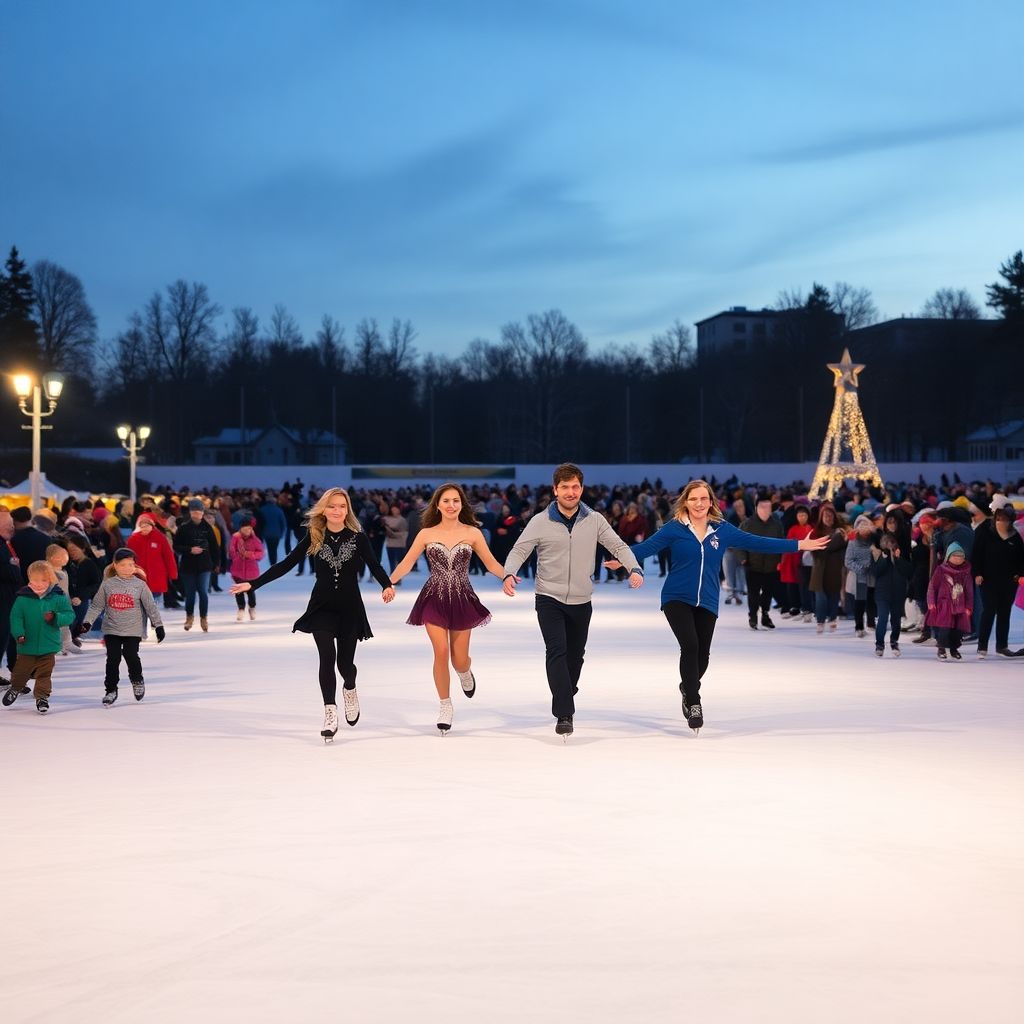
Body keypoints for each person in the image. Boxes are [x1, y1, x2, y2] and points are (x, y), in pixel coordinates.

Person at [624, 479, 828, 733]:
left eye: (703, 498)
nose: (699, 503)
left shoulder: (722, 529)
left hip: (708, 598)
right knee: (690, 645)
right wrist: (619, 557)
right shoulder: (674, 528)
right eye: (693, 499)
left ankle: (688, 686)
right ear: (685, 501)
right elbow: (645, 548)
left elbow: (758, 542)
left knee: (703, 655)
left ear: (711, 502)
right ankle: (694, 701)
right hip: (676, 596)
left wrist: (798, 545)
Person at [230, 487, 395, 742]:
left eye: (341, 506)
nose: (337, 511)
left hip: (350, 607)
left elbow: (374, 564)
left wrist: (386, 584)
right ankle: (330, 710)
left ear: (347, 509)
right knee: (326, 657)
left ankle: (349, 688)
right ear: (324, 509)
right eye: (332, 506)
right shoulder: (314, 535)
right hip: (321, 606)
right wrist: (254, 583)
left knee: (345, 665)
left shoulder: (358, 538)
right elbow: (286, 564)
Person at [503, 463, 644, 738]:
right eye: (565, 487)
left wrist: (634, 567)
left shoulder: (594, 520)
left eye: (575, 486)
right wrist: (509, 573)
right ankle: (564, 712)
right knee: (556, 651)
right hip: (548, 597)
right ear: (555, 490)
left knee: (575, 657)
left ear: (581, 488)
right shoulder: (540, 521)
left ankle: (565, 690)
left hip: (581, 599)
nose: (571, 492)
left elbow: (618, 545)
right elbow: (520, 549)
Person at [388, 482, 507, 733]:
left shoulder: (472, 532)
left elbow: (491, 563)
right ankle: (445, 704)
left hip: (463, 598)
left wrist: (506, 576)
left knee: (459, 659)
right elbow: (407, 562)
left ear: (461, 504)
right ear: (438, 505)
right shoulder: (426, 533)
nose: (451, 505)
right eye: (446, 501)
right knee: (440, 652)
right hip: (434, 597)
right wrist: (388, 581)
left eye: (455, 500)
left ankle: (465, 671)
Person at [80, 548, 165, 705]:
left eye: (131, 564)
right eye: (123, 565)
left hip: (133, 629)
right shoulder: (108, 585)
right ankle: (111, 690)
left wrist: (158, 626)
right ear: (115, 565)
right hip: (112, 628)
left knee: (131, 655)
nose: (128, 568)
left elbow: (150, 606)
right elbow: (96, 606)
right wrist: (87, 622)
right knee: (113, 659)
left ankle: (137, 680)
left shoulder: (140, 585)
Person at [1, 561, 74, 714]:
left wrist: (56, 617)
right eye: (34, 581)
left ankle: (42, 697)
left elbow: (69, 615)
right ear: (29, 580)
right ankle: (16, 687)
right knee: (21, 671)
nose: (39, 585)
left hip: (48, 645)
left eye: (43, 580)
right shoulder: (22, 598)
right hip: (27, 644)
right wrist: (19, 633)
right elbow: (16, 618)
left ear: (51, 580)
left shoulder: (57, 597)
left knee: (44, 674)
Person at [972, 504, 1024, 658]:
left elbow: (1021, 559)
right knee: (988, 611)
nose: (1001, 522)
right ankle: (982, 646)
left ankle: (1002, 646)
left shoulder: (1015, 537)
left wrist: (1020, 575)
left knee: (1004, 612)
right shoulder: (985, 533)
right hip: (988, 580)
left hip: (1009, 581)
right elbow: (976, 555)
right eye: (999, 519)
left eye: (1005, 519)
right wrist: (977, 573)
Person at [738, 495, 785, 630]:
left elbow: (781, 543)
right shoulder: (748, 524)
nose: (765, 510)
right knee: (753, 593)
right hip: (752, 565)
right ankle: (753, 615)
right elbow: (737, 542)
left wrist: (780, 560)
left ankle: (765, 614)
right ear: (756, 508)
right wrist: (743, 558)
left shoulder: (776, 525)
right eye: (762, 507)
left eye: (768, 507)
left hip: (771, 565)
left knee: (768, 592)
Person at [174, 498, 218, 631]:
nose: (196, 514)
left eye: (199, 512)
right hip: (188, 566)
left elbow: (215, 547)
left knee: (203, 592)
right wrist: (189, 549)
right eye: (194, 511)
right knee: (190, 594)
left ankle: (204, 618)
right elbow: (176, 546)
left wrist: (217, 563)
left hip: (205, 565)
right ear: (190, 512)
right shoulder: (183, 528)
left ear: (203, 513)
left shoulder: (207, 528)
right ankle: (189, 617)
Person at [926, 542, 973, 661]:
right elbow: (933, 587)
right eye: (955, 556)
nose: (958, 559)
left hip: (960, 605)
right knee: (944, 628)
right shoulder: (941, 570)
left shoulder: (966, 571)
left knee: (958, 629)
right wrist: (931, 602)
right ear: (948, 557)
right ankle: (941, 648)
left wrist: (969, 606)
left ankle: (954, 648)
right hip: (944, 604)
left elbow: (969, 590)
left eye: (960, 556)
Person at [126, 513, 179, 616]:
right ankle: (142, 628)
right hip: (138, 578)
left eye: (147, 525)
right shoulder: (133, 540)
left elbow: (168, 557)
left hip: (156, 577)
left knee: (151, 604)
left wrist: (173, 573)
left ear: (152, 525)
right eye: (142, 525)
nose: (144, 528)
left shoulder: (160, 538)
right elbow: (127, 559)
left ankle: (150, 625)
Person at [871, 532, 912, 656]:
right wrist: (884, 558)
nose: (889, 545)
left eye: (891, 542)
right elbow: (876, 572)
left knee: (896, 620)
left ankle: (894, 641)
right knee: (882, 618)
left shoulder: (902, 555)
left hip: (898, 593)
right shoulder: (878, 555)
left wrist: (898, 559)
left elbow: (908, 572)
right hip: (882, 594)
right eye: (886, 543)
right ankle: (879, 644)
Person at [808, 502, 847, 634]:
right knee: (821, 597)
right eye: (825, 515)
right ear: (821, 516)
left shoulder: (840, 532)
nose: (828, 517)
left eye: (830, 515)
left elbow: (841, 549)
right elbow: (815, 549)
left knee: (833, 595)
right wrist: (832, 543)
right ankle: (820, 621)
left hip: (834, 568)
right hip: (819, 568)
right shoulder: (815, 532)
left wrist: (827, 546)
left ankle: (832, 619)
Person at [844, 515, 878, 638]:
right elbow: (848, 561)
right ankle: (859, 626)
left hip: (873, 575)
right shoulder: (852, 543)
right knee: (860, 601)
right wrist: (861, 569)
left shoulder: (874, 541)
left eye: (866, 525)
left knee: (872, 600)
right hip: (860, 577)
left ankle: (871, 623)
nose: (864, 528)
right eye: (861, 526)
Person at [780, 504, 814, 620]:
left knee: (804, 585)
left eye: (804, 515)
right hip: (792, 559)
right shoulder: (793, 529)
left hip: (805, 561)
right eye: (799, 515)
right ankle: (795, 606)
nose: (802, 517)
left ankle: (807, 608)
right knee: (792, 584)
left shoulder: (810, 528)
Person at [228, 518, 265, 621]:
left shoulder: (255, 539)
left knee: (250, 590)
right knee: (238, 590)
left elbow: (261, 553)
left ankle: (252, 607)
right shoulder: (235, 538)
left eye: (249, 528)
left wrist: (251, 555)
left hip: (251, 570)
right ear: (241, 528)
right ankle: (241, 609)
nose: (247, 531)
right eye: (245, 529)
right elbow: (231, 551)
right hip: (238, 569)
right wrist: (237, 556)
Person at [381, 504, 409, 580]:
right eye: (393, 510)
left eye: (396, 509)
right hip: (390, 543)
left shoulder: (402, 520)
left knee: (398, 562)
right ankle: (393, 578)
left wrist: (392, 532)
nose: (394, 511)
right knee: (392, 562)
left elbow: (404, 531)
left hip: (399, 543)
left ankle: (397, 577)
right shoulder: (386, 519)